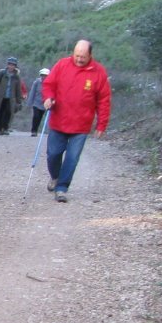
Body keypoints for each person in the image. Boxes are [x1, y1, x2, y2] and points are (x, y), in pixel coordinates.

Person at [42, 39, 111, 202]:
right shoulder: (62, 65)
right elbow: (49, 84)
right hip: (59, 120)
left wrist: (102, 124)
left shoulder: (99, 72)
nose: (79, 59)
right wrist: (48, 98)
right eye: (77, 55)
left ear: (90, 55)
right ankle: (55, 177)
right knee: (53, 154)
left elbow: (104, 100)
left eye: (83, 57)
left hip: (81, 125)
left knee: (72, 158)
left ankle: (62, 188)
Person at [0, 57, 23, 135]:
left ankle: (5, 128)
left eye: (13, 65)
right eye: (10, 64)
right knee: (0, 112)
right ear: (7, 65)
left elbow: (18, 89)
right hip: (1, 97)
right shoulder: (2, 73)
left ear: (15, 66)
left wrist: (19, 101)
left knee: (8, 113)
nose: (11, 66)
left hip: (11, 98)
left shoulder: (16, 76)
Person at [27, 68, 50, 136]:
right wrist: (29, 103)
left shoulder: (50, 83)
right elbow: (32, 92)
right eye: (43, 75)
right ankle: (33, 130)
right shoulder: (37, 82)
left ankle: (37, 130)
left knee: (40, 117)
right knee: (36, 116)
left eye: (45, 75)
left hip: (44, 104)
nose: (44, 77)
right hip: (36, 103)